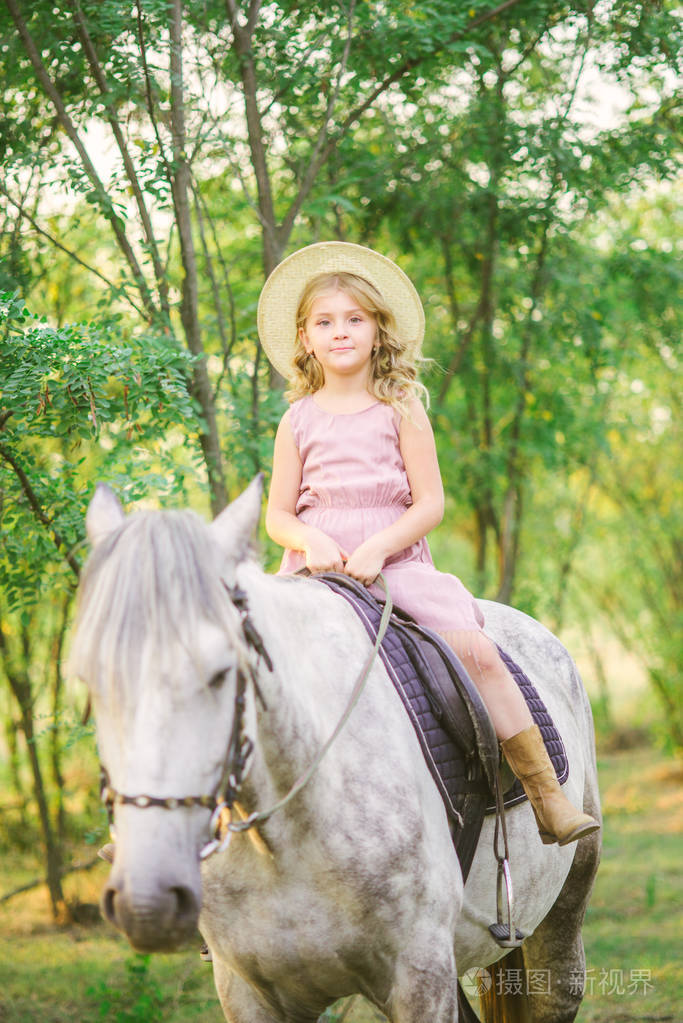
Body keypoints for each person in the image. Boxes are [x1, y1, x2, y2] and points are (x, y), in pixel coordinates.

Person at [259, 241, 599, 847]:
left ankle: (547, 797)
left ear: (377, 331)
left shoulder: (400, 405)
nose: (341, 332)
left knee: (478, 653)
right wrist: (310, 539)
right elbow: (278, 515)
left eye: (354, 319)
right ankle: (221, 830)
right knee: (254, 666)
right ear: (305, 338)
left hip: (396, 567)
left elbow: (431, 503)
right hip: (316, 573)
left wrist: (377, 548)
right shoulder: (298, 420)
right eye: (325, 322)